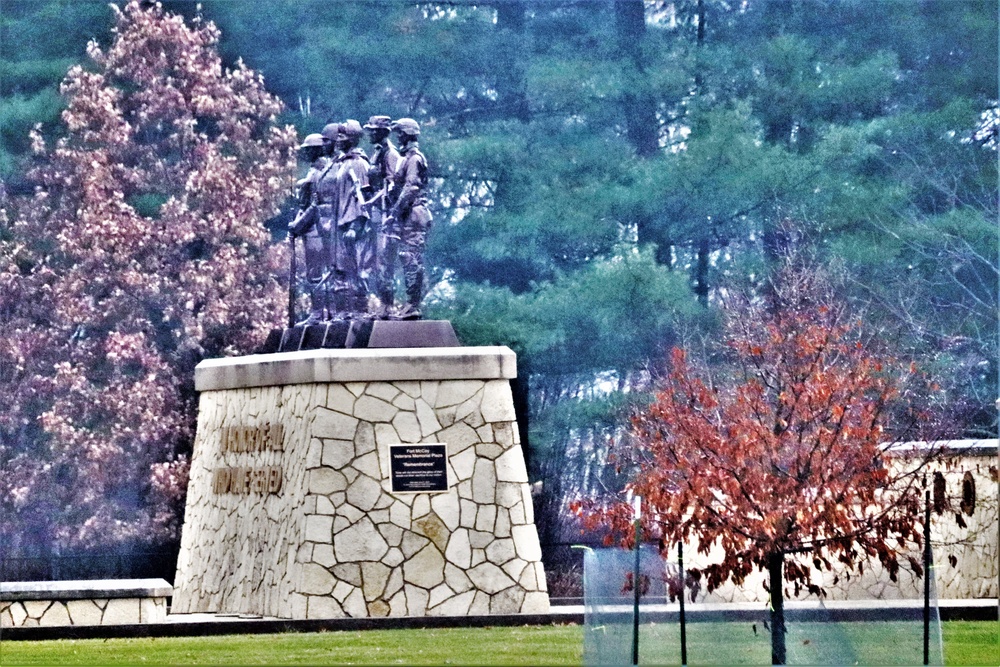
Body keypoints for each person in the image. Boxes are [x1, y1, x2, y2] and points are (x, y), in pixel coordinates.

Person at [386, 117, 432, 320]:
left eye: (400, 133)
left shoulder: (414, 158)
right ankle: (410, 304)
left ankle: (413, 305)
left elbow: (411, 187)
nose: (397, 137)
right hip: (407, 214)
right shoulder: (405, 158)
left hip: (413, 214)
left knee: (411, 258)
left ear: (407, 134)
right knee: (406, 258)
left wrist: (395, 211)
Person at [331, 119, 373, 317]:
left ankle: (359, 309)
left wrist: (356, 225)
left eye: (343, 136)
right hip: (341, 223)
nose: (338, 140)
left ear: (352, 139)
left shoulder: (359, 164)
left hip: (353, 225)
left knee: (357, 267)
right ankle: (345, 310)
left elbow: (363, 197)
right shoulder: (343, 163)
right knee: (344, 268)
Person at [287, 133, 330, 324]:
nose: (305, 154)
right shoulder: (321, 171)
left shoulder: (317, 173)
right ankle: (321, 311)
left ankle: (318, 312)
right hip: (315, 228)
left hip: (315, 231)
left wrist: (297, 226)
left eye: (308, 150)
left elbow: (313, 206)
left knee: (315, 273)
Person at [363, 115, 401, 314]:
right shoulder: (376, 153)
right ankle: (382, 305)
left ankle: (388, 306)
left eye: (373, 130)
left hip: (386, 215)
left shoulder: (390, 154)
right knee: (374, 262)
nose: (370, 134)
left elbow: (392, 187)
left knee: (384, 263)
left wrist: (373, 200)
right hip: (374, 215)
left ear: (383, 132)